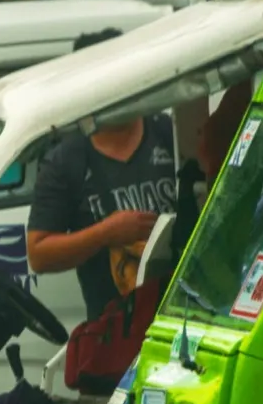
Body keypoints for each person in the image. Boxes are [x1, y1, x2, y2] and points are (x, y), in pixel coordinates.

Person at [27, 113, 177, 320]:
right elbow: (38, 254)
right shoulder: (65, 160)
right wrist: (106, 233)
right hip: (115, 329)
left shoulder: (170, 131)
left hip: (184, 312)